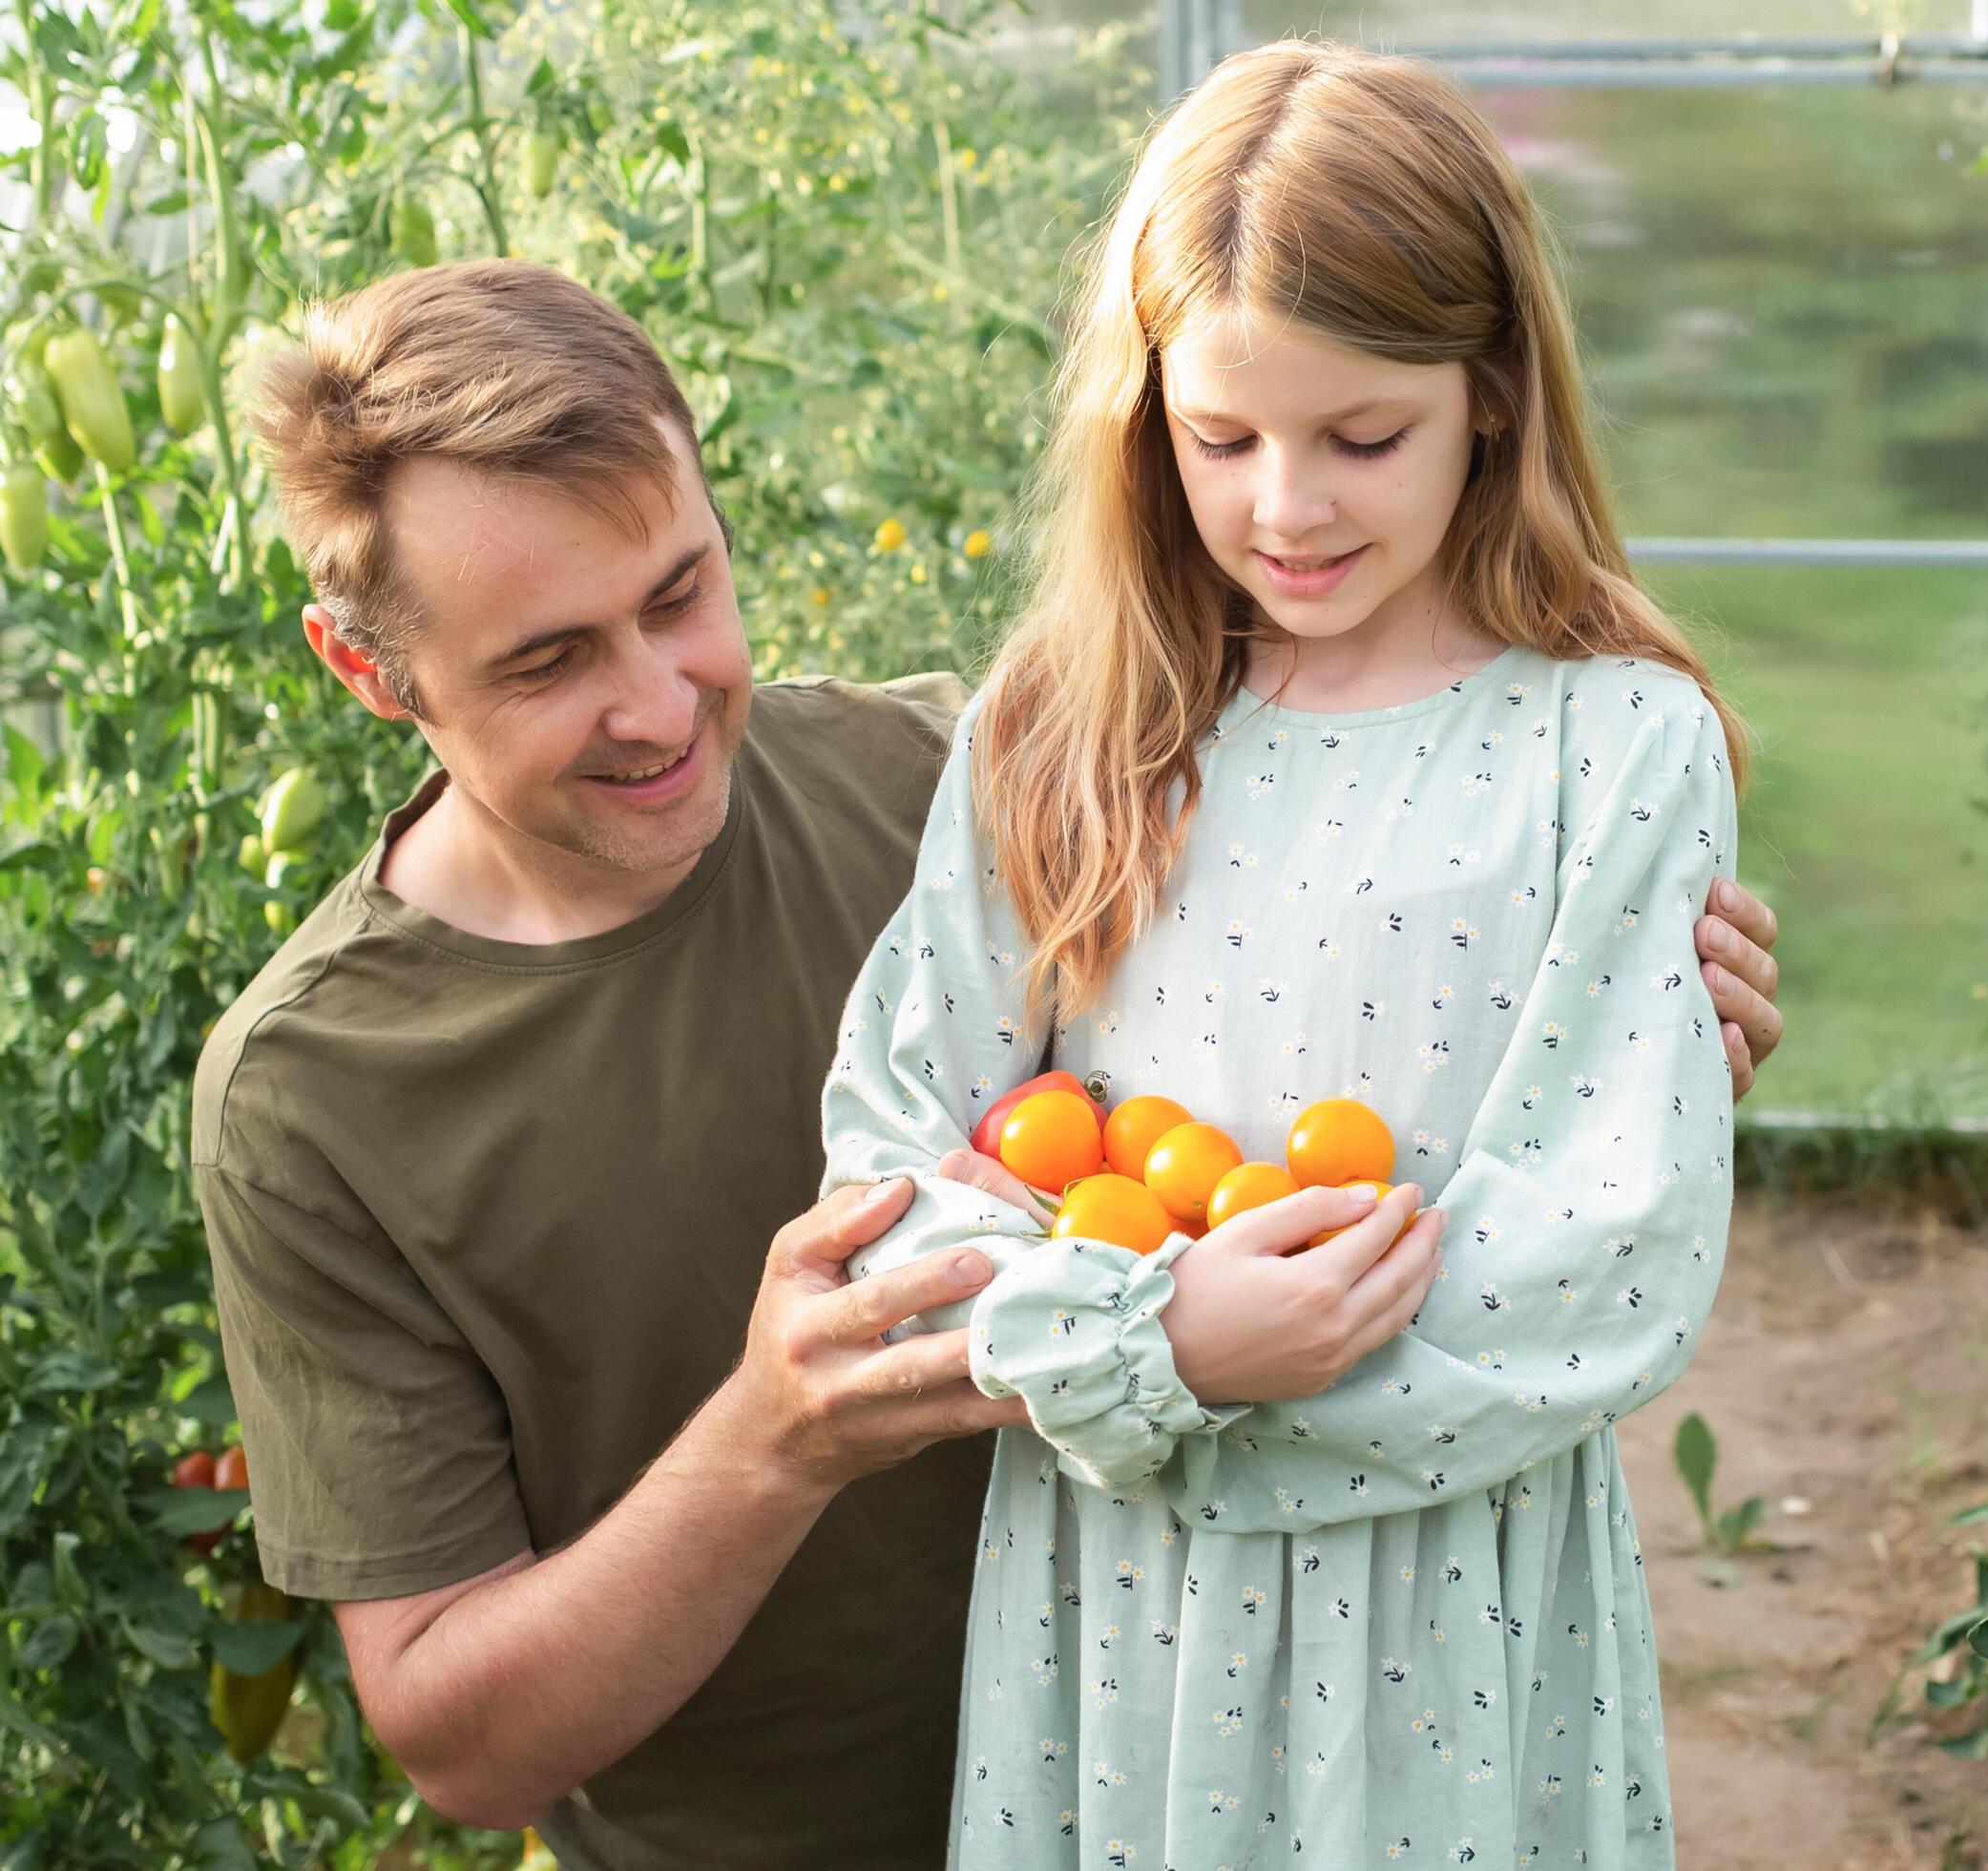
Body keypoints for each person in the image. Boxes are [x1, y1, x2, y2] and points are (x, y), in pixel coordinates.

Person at [194, 260, 1785, 1867]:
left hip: (1244, 1769)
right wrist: (780, 1431)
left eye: (681, 592)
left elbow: (1375, 956)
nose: (660, 703)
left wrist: (1621, 1034)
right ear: (372, 671)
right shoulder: (317, 1097)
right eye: (547, 663)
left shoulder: (963, 776)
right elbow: (459, 1738)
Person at [822, 41, 1745, 1867]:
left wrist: (1209, 1379)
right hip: (1118, 1600)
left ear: (1491, 394)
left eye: (1360, 437)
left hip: (1451, 1602)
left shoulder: (1615, 744)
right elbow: (894, 1154)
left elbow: (1608, 1242)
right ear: (1142, 415)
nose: (1285, 510)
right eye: (1219, 440)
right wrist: (1156, 1340)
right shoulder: (1066, 726)